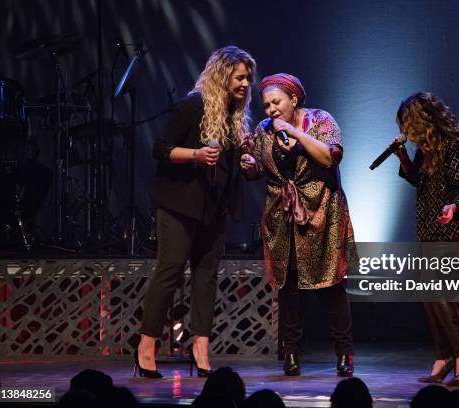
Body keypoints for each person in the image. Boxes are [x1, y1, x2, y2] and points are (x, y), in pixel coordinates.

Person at [135, 45, 256, 378]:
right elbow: (160, 149)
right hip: (179, 204)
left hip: (212, 208)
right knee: (170, 270)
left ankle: (200, 345)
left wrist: (247, 163)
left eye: (248, 78)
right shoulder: (194, 104)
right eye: (239, 76)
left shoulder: (236, 116)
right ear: (222, 74)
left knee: (206, 277)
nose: (246, 83)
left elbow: (235, 168)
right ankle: (146, 345)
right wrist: (196, 155)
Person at [240, 73, 357, 377]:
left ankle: (345, 354)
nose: (271, 110)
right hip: (284, 218)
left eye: (276, 102)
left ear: (294, 99)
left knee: (332, 287)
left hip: (322, 214)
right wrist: (250, 166)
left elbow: (330, 157)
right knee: (289, 288)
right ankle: (290, 354)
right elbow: (255, 167)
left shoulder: (321, 120)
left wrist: (294, 132)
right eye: (266, 105)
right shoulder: (264, 130)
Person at [392, 92, 459, 387]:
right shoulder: (426, 149)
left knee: (440, 291)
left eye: (406, 124)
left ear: (420, 121)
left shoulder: (450, 146)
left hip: (452, 228)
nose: (405, 131)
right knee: (431, 294)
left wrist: (453, 206)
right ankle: (445, 354)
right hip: (431, 228)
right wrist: (402, 157)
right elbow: (420, 181)